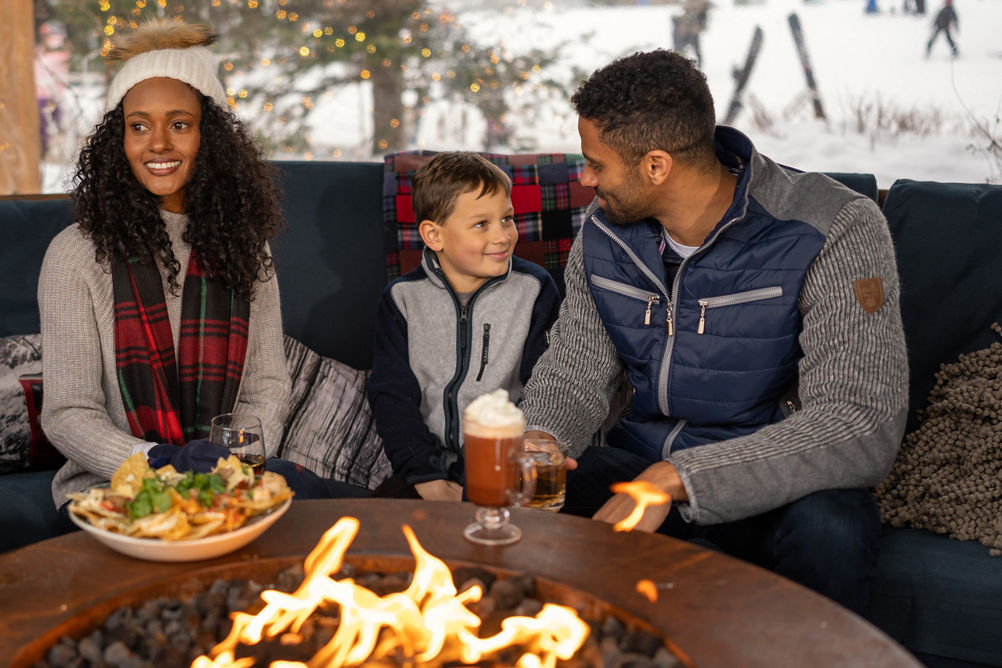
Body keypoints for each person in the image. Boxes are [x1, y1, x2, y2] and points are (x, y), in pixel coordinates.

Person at [519, 50, 908, 615]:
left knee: (833, 527)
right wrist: (544, 437)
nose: (585, 179)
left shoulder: (832, 225)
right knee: (511, 500)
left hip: (768, 483)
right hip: (638, 470)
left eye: (595, 163)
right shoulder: (604, 235)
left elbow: (860, 420)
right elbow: (576, 366)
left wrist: (679, 477)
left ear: (656, 166)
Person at [38, 20, 356, 511]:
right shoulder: (75, 254)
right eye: (138, 126)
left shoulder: (245, 245)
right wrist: (165, 464)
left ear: (211, 137)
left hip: (224, 477)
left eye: (179, 124)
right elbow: (67, 414)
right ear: (117, 142)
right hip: (112, 488)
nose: (158, 143)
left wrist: (228, 465)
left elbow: (267, 386)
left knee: (316, 502)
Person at [366, 152, 561, 501]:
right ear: (434, 235)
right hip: (425, 467)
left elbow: (545, 387)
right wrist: (425, 477)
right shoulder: (401, 299)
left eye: (507, 219)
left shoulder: (535, 289)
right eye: (481, 224)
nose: (503, 236)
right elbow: (392, 396)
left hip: (506, 463)